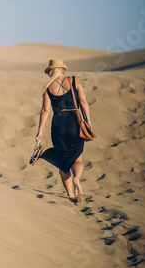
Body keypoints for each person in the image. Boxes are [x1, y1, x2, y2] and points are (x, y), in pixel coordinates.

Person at [35, 59, 92, 202]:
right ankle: (77, 179)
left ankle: (70, 195)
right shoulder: (74, 80)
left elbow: (45, 110)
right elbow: (84, 102)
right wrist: (88, 120)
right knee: (77, 158)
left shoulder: (48, 87)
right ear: (62, 70)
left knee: (63, 162)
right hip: (75, 122)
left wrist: (40, 131)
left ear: (51, 71)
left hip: (58, 126)